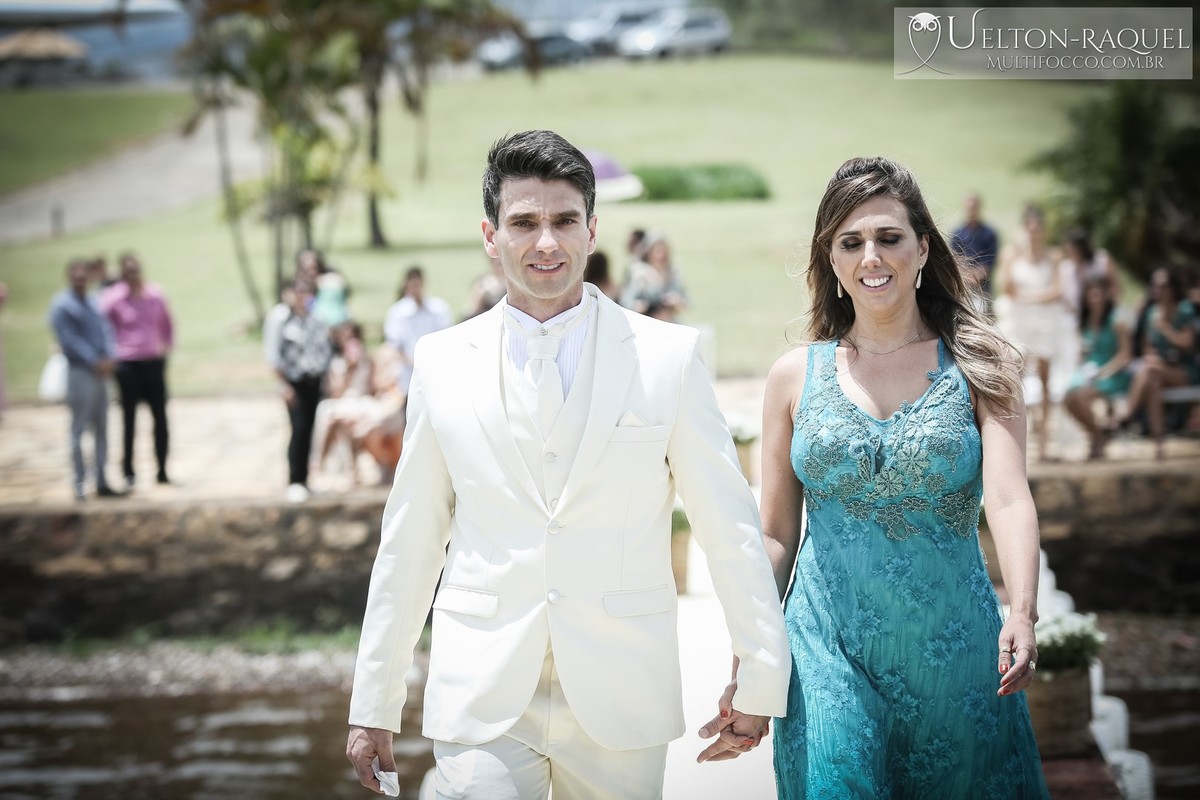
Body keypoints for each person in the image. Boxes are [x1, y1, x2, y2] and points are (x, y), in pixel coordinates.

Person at [346, 130, 789, 799]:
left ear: (591, 228)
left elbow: (728, 528)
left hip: (622, 694)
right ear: (491, 236)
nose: (546, 242)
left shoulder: (669, 357)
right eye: (524, 223)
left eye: (563, 221)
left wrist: (760, 675)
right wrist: (373, 703)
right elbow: (409, 542)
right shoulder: (440, 362)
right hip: (484, 694)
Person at [759, 157, 1048, 797]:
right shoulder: (792, 377)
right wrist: (751, 655)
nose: (872, 256)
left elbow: (1006, 496)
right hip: (828, 647)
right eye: (851, 242)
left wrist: (1022, 611)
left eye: (889, 238)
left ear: (922, 248)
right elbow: (776, 532)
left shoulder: (980, 363)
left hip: (957, 649)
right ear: (830, 260)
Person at [997, 204, 1076, 461]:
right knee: (1016, 374)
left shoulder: (1053, 256)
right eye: (1030, 229)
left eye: (1037, 229)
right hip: (1019, 322)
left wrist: (1029, 298)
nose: (1033, 234)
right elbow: (1006, 288)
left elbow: (1057, 290)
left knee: (1044, 376)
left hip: (1044, 322)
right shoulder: (1011, 254)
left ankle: (1043, 437)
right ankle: (1024, 430)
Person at [48, 259, 123, 501]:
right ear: (70, 277)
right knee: (78, 429)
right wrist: (95, 360)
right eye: (77, 277)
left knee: (102, 429)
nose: (81, 281)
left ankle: (102, 480)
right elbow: (69, 341)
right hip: (80, 372)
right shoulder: (61, 306)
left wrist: (110, 357)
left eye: (84, 277)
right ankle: (79, 482)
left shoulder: (95, 301)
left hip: (102, 373)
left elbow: (107, 330)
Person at [101, 253, 175, 487]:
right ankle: (128, 470)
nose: (134, 276)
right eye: (128, 272)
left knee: (160, 418)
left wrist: (166, 349)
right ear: (122, 274)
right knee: (129, 420)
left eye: (136, 271)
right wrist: (110, 357)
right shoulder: (112, 299)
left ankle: (162, 469)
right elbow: (103, 329)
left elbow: (168, 325)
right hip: (127, 365)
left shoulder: (155, 294)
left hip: (153, 362)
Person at [1112, 267, 1196, 459]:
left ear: (1173, 287)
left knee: (1149, 370)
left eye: (1164, 285)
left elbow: (1188, 343)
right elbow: (1148, 347)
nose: (1159, 289)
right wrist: (1154, 356)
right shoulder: (1151, 313)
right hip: (1160, 369)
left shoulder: (1184, 309)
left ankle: (1127, 415)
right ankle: (1159, 445)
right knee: (1152, 379)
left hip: (1185, 370)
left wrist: (1165, 329)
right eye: (1156, 285)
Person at [274, 279, 333, 503]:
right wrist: (283, 384)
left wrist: (327, 378)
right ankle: (294, 479)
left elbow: (324, 350)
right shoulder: (281, 319)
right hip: (294, 381)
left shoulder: (316, 319)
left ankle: (305, 479)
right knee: (297, 428)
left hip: (314, 381)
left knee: (310, 428)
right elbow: (274, 355)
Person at [1063, 275, 1132, 460]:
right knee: (1068, 399)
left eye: (1098, 292)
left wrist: (1105, 372)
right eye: (1091, 292)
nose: (1094, 296)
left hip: (1113, 374)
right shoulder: (1085, 322)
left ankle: (1097, 439)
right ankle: (1097, 434)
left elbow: (1125, 354)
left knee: (1081, 396)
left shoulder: (1116, 319)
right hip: (1091, 374)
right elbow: (1084, 354)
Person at [382, 266, 452, 395]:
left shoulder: (439, 309)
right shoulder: (397, 313)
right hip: (408, 378)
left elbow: (447, 340)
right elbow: (395, 346)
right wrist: (415, 365)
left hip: (435, 374)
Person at [620, 232, 689, 322]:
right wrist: (642, 306)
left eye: (663, 251)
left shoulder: (672, 273)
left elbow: (686, 301)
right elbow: (626, 301)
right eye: (657, 251)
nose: (659, 255)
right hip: (647, 322)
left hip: (670, 323)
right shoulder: (639, 272)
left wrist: (675, 301)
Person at [950, 192, 1000, 312]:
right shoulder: (957, 234)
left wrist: (977, 276)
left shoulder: (989, 234)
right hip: (963, 283)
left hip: (984, 284)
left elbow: (990, 260)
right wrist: (966, 277)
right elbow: (954, 258)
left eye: (974, 207)